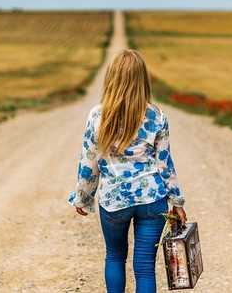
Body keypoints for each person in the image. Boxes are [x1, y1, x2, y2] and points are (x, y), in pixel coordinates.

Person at [69, 49, 187, 293]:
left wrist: (83, 196)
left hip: (114, 199)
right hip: (152, 199)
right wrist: (177, 201)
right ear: (142, 79)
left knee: (114, 257)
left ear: (112, 78)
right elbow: (165, 163)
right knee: (144, 267)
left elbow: (89, 162)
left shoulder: (97, 115)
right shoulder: (157, 116)